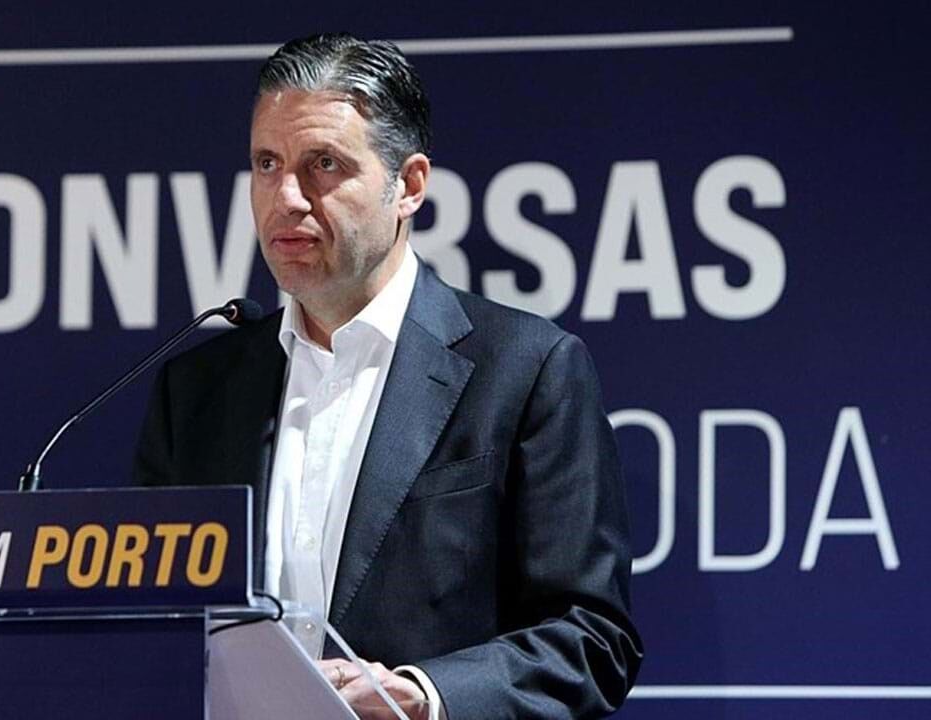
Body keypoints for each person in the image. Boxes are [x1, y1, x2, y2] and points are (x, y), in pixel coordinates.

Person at [135, 33, 643, 720]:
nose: (287, 197)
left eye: (323, 164)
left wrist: (424, 695)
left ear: (408, 186)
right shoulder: (197, 390)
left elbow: (591, 638)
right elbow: (149, 623)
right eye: (266, 164)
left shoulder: (525, 371)